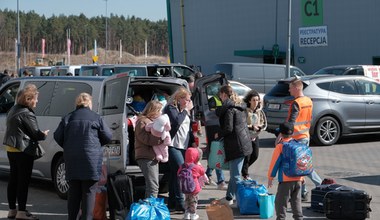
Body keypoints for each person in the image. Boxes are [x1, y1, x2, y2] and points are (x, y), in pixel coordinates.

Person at [53, 93, 112, 220]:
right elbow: (108, 136)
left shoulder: (68, 118)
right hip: (91, 160)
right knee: (89, 192)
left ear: (77, 103)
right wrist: (96, 146)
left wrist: (68, 146)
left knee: (73, 191)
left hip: (72, 158)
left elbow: (57, 136)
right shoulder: (96, 118)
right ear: (90, 103)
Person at [3, 84, 49, 220]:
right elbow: (35, 134)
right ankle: (22, 212)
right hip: (23, 151)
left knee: (13, 180)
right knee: (23, 181)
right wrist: (44, 134)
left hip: (11, 149)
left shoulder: (13, 109)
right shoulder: (26, 113)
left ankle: (12, 210)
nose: (37, 101)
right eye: (36, 98)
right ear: (29, 99)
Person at [283, 78, 322, 201]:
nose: (289, 90)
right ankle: (303, 192)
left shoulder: (297, 103)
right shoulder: (308, 101)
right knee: (300, 166)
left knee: (303, 166)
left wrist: (281, 135)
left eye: (290, 87)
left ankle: (321, 185)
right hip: (305, 136)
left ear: (297, 88)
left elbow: (291, 122)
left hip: (296, 139)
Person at [215, 85, 252, 206]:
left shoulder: (230, 109)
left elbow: (228, 128)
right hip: (243, 144)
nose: (220, 98)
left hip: (236, 145)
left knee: (235, 176)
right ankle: (229, 198)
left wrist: (218, 134)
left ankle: (241, 201)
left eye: (220, 96)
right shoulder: (239, 107)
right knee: (234, 173)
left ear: (224, 95)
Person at [163, 87, 196, 212]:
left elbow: (188, 128)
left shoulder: (184, 111)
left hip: (183, 145)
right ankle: (180, 202)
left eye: (189, 100)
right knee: (181, 171)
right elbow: (176, 122)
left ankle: (172, 202)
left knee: (174, 174)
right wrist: (186, 111)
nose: (188, 102)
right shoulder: (171, 108)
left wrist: (193, 142)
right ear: (179, 98)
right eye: (187, 100)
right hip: (172, 145)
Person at [268, 122, 303, 220]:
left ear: (280, 133)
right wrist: (302, 177)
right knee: (296, 203)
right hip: (299, 179)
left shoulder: (280, 146)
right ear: (292, 132)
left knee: (280, 204)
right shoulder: (297, 144)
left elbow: (274, 164)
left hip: (286, 180)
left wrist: (270, 177)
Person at [135, 100, 166, 198]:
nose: (161, 113)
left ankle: (150, 207)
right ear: (153, 110)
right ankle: (150, 209)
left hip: (150, 156)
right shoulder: (143, 121)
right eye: (160, 111)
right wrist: (160, 138)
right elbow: (146, 139)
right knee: (153, 186)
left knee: (152, 185)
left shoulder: (149, 121)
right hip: (146, 156)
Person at [242, 89, 267, 180]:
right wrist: (251, 127)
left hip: (255, 136)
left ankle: (243, 169)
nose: (256, 102)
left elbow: (263, 122)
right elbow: (242, 124)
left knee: (255, 156)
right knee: (247, 156)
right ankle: (245, 174)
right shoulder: (245, 111)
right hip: (246, 137)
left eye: (257, 100)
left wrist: (260, 127)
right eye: (253, 100)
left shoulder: (259, 111)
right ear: (249, 101)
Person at [205, 90, 227, 190]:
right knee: (218, 153)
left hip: (219, 128)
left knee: (215, 153)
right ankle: (221, 181)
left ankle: (206, 175)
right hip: (213, 128)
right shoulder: (213, 100)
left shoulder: (224, 100)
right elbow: (212, 113)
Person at [178, 147, 205, 220]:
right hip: (194, 188)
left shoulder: (183, 165)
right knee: (193, 201)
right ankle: (193, 215)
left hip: (185, 187)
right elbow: (202, 172)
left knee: (187, 200)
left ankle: (186, 215)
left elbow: (178, 173)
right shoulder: (196, 166)